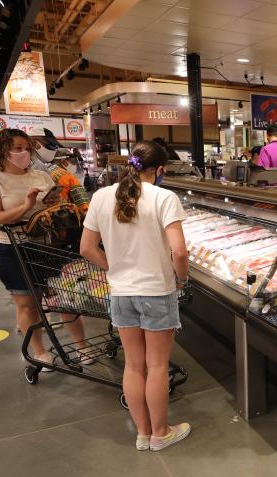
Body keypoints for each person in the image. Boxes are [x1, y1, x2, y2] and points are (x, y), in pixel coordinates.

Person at [80, 141, 191, 452]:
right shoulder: (164, 197)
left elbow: (86, 248)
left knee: (133, 365)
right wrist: (180, 278)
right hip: (156, 291)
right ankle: (161, 433)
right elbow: (179, 250)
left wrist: (113, 267)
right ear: (160, 170)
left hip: (121, 293)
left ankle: (143, 434)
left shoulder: (102, 196)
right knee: (157, 366)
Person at [0, 128, 92, 366]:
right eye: (17, 148)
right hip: (12, 249)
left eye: (27, 148)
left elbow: (53, 209)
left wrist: (54, 201)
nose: (24, 153)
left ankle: (82, 346)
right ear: (3, 151)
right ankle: (39, 351)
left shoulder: (40, 176)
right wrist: (26, 205)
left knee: (66, 298)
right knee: (28, 304)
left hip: (48, 246)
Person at [46, 149, 90, 214]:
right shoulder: (67, 176)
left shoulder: (46, 170)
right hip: (65, 215)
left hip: (48, 213)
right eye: (72, 162)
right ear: (64, 162)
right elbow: (83, 204)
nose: (74, 165)